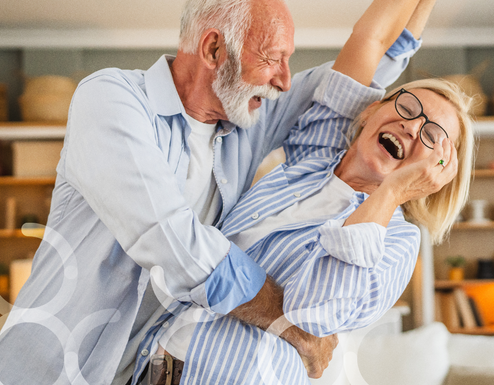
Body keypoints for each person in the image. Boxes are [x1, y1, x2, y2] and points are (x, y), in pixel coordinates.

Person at [0, 1, 422, 385]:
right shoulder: (112, 99)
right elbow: (169, 240)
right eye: (273, 59)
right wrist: (289, 323)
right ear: (214, 50)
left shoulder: (245, 116)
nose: (284, 80)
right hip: (43, 371)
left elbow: (354, 79)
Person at [133, 0, 475, 383]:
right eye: (409, 108)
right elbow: (373, 39)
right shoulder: (317, 154)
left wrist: (392, 193)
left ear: (438, 172)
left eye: (433, 137)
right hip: (158, 368)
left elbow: (310, 313)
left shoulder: (397, 241)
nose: (413, 128)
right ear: (369, 111)